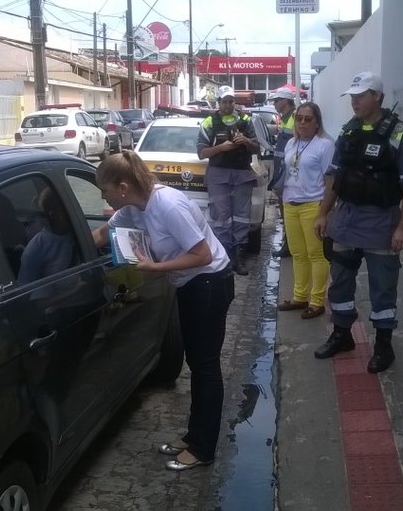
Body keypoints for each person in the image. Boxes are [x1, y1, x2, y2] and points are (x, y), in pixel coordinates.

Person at [91, 150, 234, 471]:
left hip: (209, 284)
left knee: (205, 367)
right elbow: (102, 235)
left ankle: (203, 448)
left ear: (123, 187)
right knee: (196, 364)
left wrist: (155, 268)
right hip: (189, 284)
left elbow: (202, 254)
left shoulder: (167, 205)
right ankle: (194, 435)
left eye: (105, 190)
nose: (104, 196)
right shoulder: (132, 208)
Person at [313, 72, 403, 373]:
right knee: (340, 283)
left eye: (361, 95)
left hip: (381, 222)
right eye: (352, 96)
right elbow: (334, 177)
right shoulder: (349, 132)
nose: (355, 101)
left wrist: (402, 227)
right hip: (347, 219)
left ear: (378, 96)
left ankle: (383, 346)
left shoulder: (400, 134)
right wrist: (324, 212)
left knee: (382, 289)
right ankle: (342, 335)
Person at [276, 102, 335, 319]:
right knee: (298, 253)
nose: (302, 122)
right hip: (290, 203)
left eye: (308, 119)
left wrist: (325, 212)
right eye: (299, 118)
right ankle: (300, 296)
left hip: (313, 205)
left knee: (316, 254)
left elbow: (330, 180)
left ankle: (317, 300)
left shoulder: (325, 145)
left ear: (317, 122)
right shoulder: (292, 143)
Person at [197, 85, 260, 276]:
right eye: (224, 101)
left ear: (234, 101)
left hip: (242, 175)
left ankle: (238, 258)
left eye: (231, 101)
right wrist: (221, 148)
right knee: (221, 218)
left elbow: (257, 148)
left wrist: (246, 141)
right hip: (218, 175)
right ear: (218, 103)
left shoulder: (245, 120)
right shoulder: (209, 122)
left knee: (242, 216)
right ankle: (224, 257)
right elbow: (201, 153)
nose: (227, 104)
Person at [18, 187, 77, 286]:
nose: (73, 211)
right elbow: (26, 294)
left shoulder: (76, 233)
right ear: (55, 215)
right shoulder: (36, 249)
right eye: (68, 207)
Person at [266, 86, 297, 258]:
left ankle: (290, 245)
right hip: (282, 173)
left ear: (285, 101)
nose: (275, 104)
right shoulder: (285, 119)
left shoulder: (294, 118)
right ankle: (289, 243)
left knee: (288, 211)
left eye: (277, 101)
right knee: (285, 211)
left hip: (288, 175)